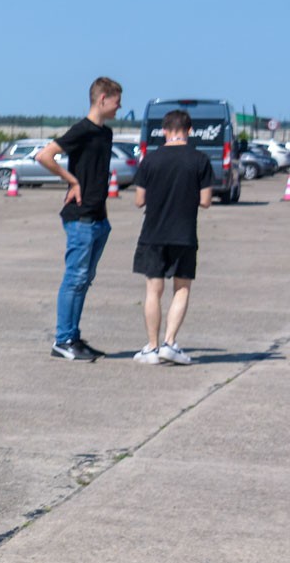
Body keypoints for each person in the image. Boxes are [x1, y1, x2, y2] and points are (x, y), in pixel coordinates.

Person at [38, 76, 123, 360]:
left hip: (99, 218)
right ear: (102, 99)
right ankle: (62, 340)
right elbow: (45, 156)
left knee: (84, 280)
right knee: (75, 279)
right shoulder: (82, 130)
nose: (119, 107)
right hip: (80, 218)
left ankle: (73, 337)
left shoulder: (105, 133)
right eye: (117, 101)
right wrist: (72, 181)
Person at [130, 108, 215, 365]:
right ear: (190, 130)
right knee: (182, 288)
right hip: (184, 233)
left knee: (153, 290)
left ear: (164, 130)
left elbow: (139, 200)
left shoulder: (150, 160)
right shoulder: (200, 160)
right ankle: (169, 343)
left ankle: (152, 347)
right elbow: (206, 201)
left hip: (153, 233)